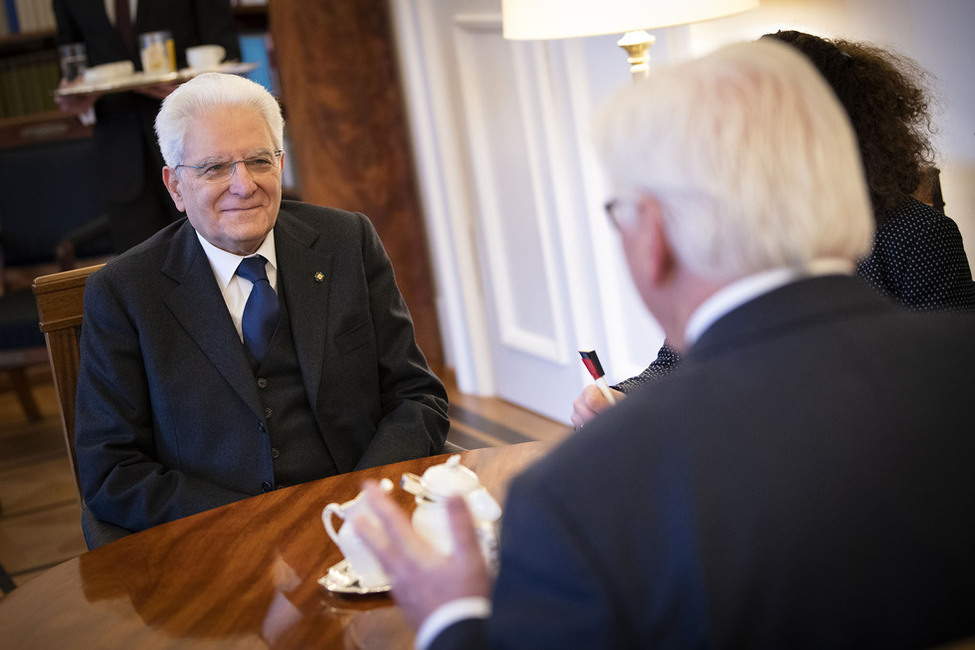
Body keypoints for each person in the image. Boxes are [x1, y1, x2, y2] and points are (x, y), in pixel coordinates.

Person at [354, 40, 975, 649]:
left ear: (652, 235)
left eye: (618, 212)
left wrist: (453, 621)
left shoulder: (576, 499)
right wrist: (623, 394)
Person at [74, 72, 449, 548]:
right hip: (222, 545)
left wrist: (362, 499)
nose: (243, 185)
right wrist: (252, 524)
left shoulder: (346, 242)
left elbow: (417, 396)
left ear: (281, 163)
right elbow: (112, 471)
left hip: (365, 526)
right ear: (175, 186)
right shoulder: (125, 291)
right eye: (213, 168)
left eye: (258, 161)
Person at [571, 30, 975, 428]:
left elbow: (948, 386)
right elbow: (678, 362)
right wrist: (622, 398)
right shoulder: (736, 227)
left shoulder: (919, 236)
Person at [53, 0, 241, 252]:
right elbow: (71, 61)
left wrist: (194, 87)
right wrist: (74, 99)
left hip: (196, 146)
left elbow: (226, 53)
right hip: (120, 159)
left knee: (217, 266)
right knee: (141, 278)